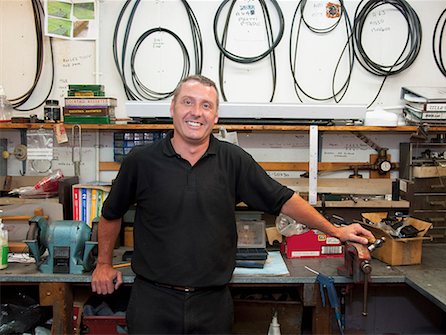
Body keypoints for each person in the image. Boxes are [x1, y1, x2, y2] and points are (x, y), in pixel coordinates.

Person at [91, 75, 375, 334]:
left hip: (212, 304)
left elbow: (283, 199)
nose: (196, 112)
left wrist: (336, 231)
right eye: (187, 102)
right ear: (173, 108)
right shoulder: (141, 162)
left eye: (206, 105)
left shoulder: (233, 160)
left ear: (215, 116)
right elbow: (111, 213)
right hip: (153, 302)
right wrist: (103, 263)